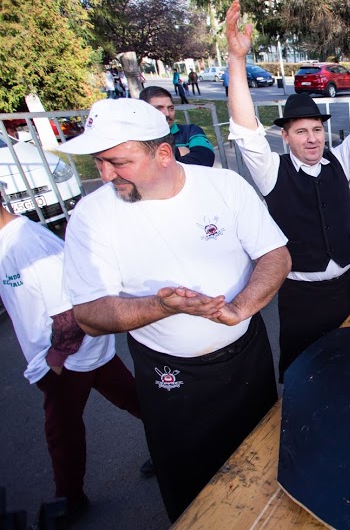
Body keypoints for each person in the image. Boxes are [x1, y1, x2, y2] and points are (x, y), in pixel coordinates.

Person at [58, 98, 291, 522]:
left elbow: (276, 256)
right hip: (169, 376)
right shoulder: (91, 216)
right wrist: (160, 307)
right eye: (99, 162)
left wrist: (240, 309)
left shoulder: (224, 186)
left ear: (162, 154)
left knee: (262, 460)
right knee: (190, 484)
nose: (105, 175)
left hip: (247, 357)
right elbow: (89, 314)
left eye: (118, 162)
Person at [224, 0, 350, 380]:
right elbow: (246, 130)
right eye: (301, 131)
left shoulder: (338, 161)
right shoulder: (271, 171)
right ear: (285, 136)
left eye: (317, 129)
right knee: (305, 378)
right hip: (301, 299)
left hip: (346, 289)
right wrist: (237, 61)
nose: (312, 139)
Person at [0, 204, 142, 524]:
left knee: (61, 431)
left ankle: (70, 500)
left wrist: (55, 359)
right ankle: (174, 445)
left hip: (70, 355)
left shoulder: (28, 245)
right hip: (76, 353)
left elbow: (70, 311)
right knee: (133, 398)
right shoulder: (10, 242)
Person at [140, 86, 215, 166]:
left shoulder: (190, 131)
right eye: (159, 108)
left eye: (171, 108)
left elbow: (205, 159)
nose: (167, 114)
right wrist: (177, 152)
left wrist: (156, 159)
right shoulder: (136, 137)